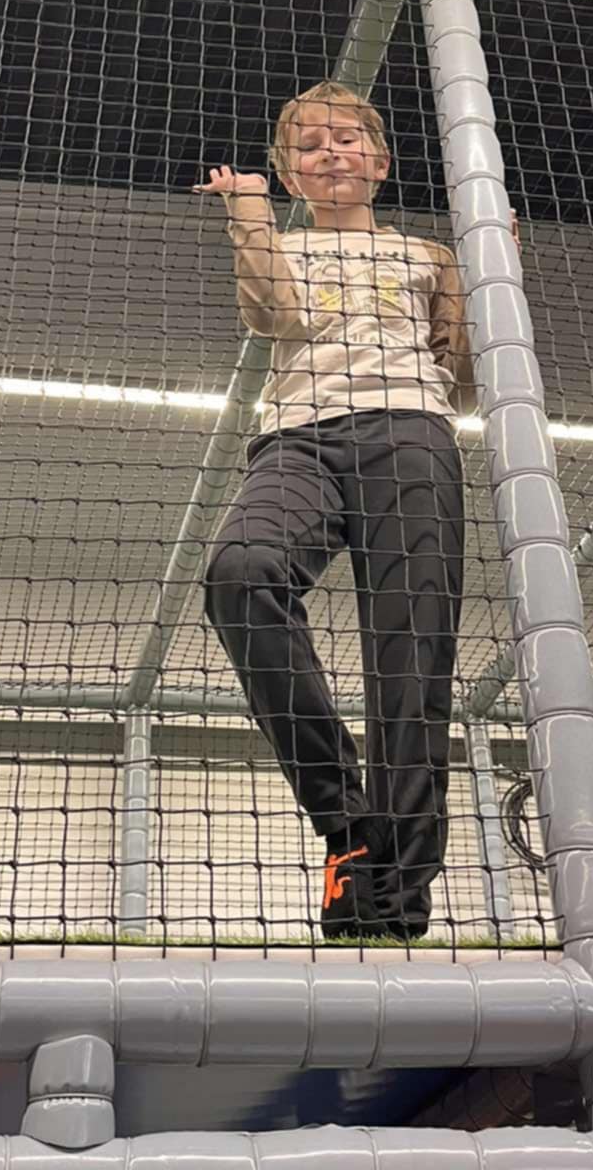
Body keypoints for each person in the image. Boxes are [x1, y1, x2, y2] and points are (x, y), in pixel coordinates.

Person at [195, 81, 476, 941]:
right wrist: (247, 212)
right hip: (298, 438)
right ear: (291, 175)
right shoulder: (282, 242)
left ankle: (391, 895)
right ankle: (346, 818)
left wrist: (490, 273)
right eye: (310, 146)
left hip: (412, 435)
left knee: (411, 657)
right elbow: (271, 316)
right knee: (242, 572)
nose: (332, 152)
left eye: (348, 138)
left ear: (380, 161)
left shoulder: (428, 254)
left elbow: (462, 373)